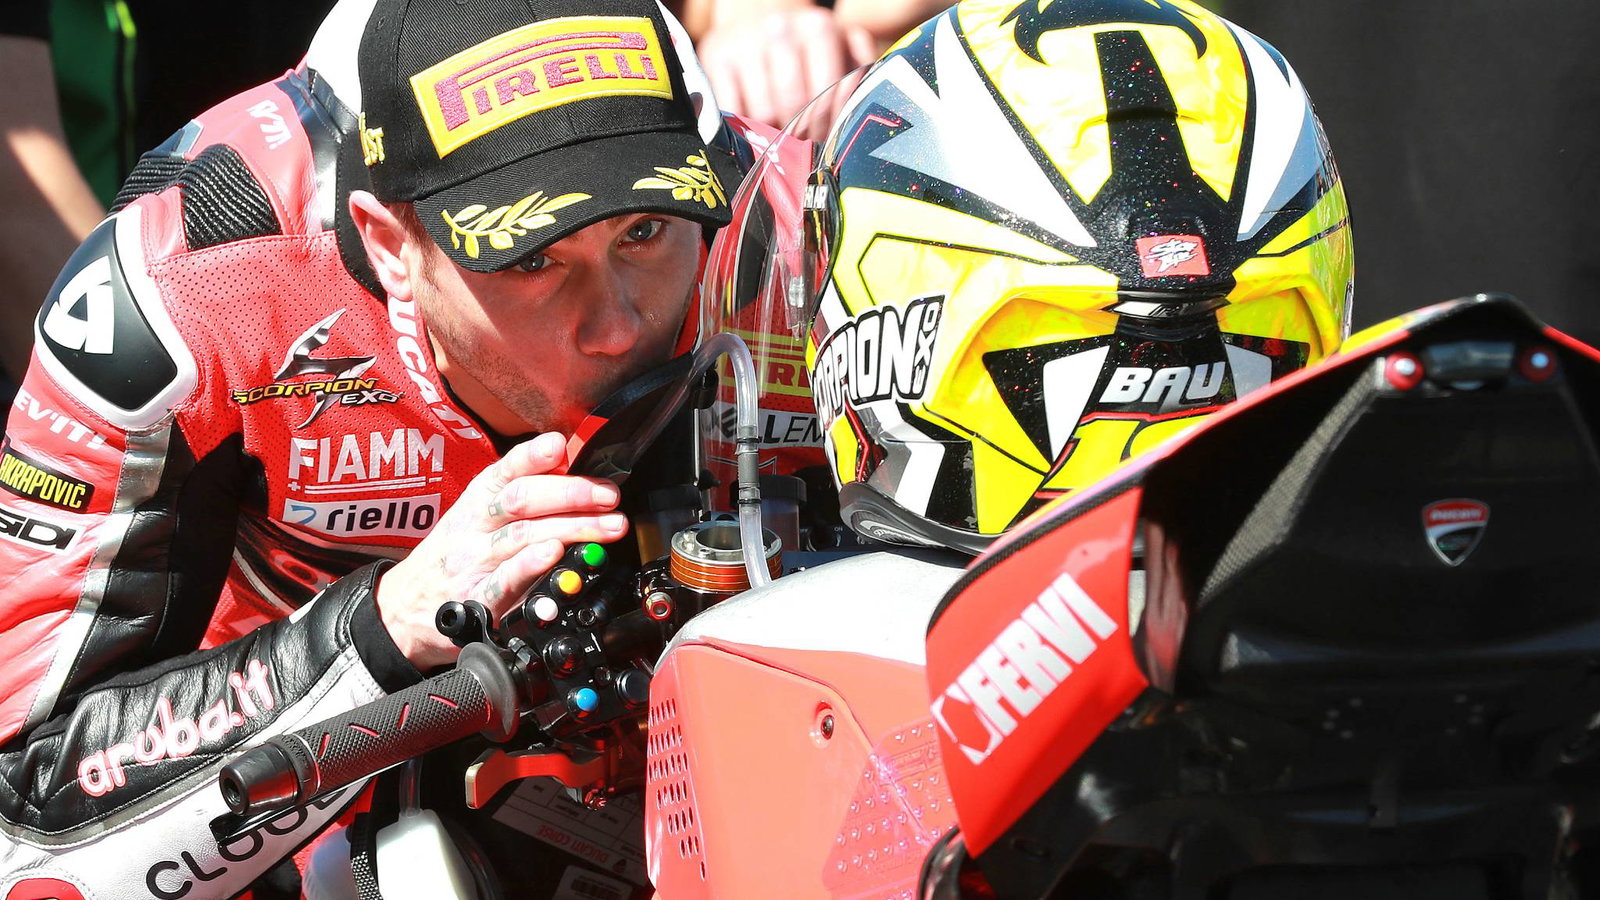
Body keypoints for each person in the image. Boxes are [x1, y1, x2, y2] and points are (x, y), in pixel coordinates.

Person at [0, 0, 756, 896]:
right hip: (263, 811)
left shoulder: (781, 215)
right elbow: (23, 828)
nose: (615, 327)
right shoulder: (180, 294)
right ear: (390, 244)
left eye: (645, 231)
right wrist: (388, 623)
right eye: (530, 258)